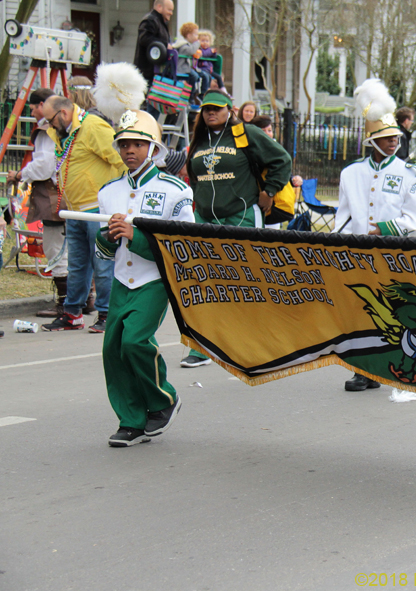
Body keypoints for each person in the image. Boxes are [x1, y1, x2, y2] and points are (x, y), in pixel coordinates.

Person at [95, 109, 194, 447]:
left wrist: (135, 236)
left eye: (138, 144)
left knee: (135, 341)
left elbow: (182, 247)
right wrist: (108, 237)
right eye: (124, 144)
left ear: (153, 148)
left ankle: (163, 400)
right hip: (122, 281)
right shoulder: (108, 192)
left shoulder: (176, 190)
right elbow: (104, 252)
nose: (130, 151)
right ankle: (131, 421)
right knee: (113, 350)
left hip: (154, 278)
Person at [182, 90, 292, 367]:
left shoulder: (246, 133)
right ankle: (203, 348)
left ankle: (261, 342)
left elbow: (282, 160)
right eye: (207, 109)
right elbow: (194, 176)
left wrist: (269, 191)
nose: (211, 113)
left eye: (217, 109)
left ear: (229, 110)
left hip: (240, 216)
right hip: (205, 220)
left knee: (246, 282)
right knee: (205, 282)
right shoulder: (199, 141)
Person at [335, 79, 416, 392]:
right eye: (385, 138)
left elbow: (414, 217)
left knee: (391, 314)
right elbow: (343, 216)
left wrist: (384, 229)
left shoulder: (409, 172)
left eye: (395, 138)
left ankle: (392, 366)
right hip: (358, 253)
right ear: (371, 141)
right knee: (362, 310)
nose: (393, 143)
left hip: (392, 252)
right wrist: (338, 244)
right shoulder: (350, 173)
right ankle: (364, 369)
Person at [41, 96, 125, 333]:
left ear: (64, 113)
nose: (49, 125)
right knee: (77, 264)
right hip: (75, 209)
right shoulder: (62, 132)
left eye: (50, 120)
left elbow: (119, 160)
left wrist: (115, 196)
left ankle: (107, 313)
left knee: (102, 263)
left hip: (97, 209)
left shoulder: (93, 127)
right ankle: (72, 313)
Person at [7, 88, 67, 319]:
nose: (31, 111)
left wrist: (21, 174)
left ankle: (65, 303)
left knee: (55, 248)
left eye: (32, 107)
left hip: (53, 195)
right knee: (72, 248)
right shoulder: (68, 128)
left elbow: (44, 165)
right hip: (69, 193)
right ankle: (83, 299)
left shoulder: (47, 129)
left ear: (42, 105)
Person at [134, 0, 174, 86]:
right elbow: (144, 38)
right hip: (147, 72)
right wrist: (165, 45)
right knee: (147, 97)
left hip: (157, 72)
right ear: (159, 7)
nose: (171, 13)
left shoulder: (161, 22)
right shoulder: (150, 20)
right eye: (169, 10)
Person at [173, 22, 202, 102]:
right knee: (195, 76)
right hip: (181, 68)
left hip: (185, 67)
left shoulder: (186, 44)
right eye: (196, 35)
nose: (197, 37)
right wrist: (197, 43)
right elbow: (191, 51)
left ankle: (192, 94)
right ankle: (190, 95)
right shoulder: (183, 45)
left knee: (199, 75)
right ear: (189, 35)